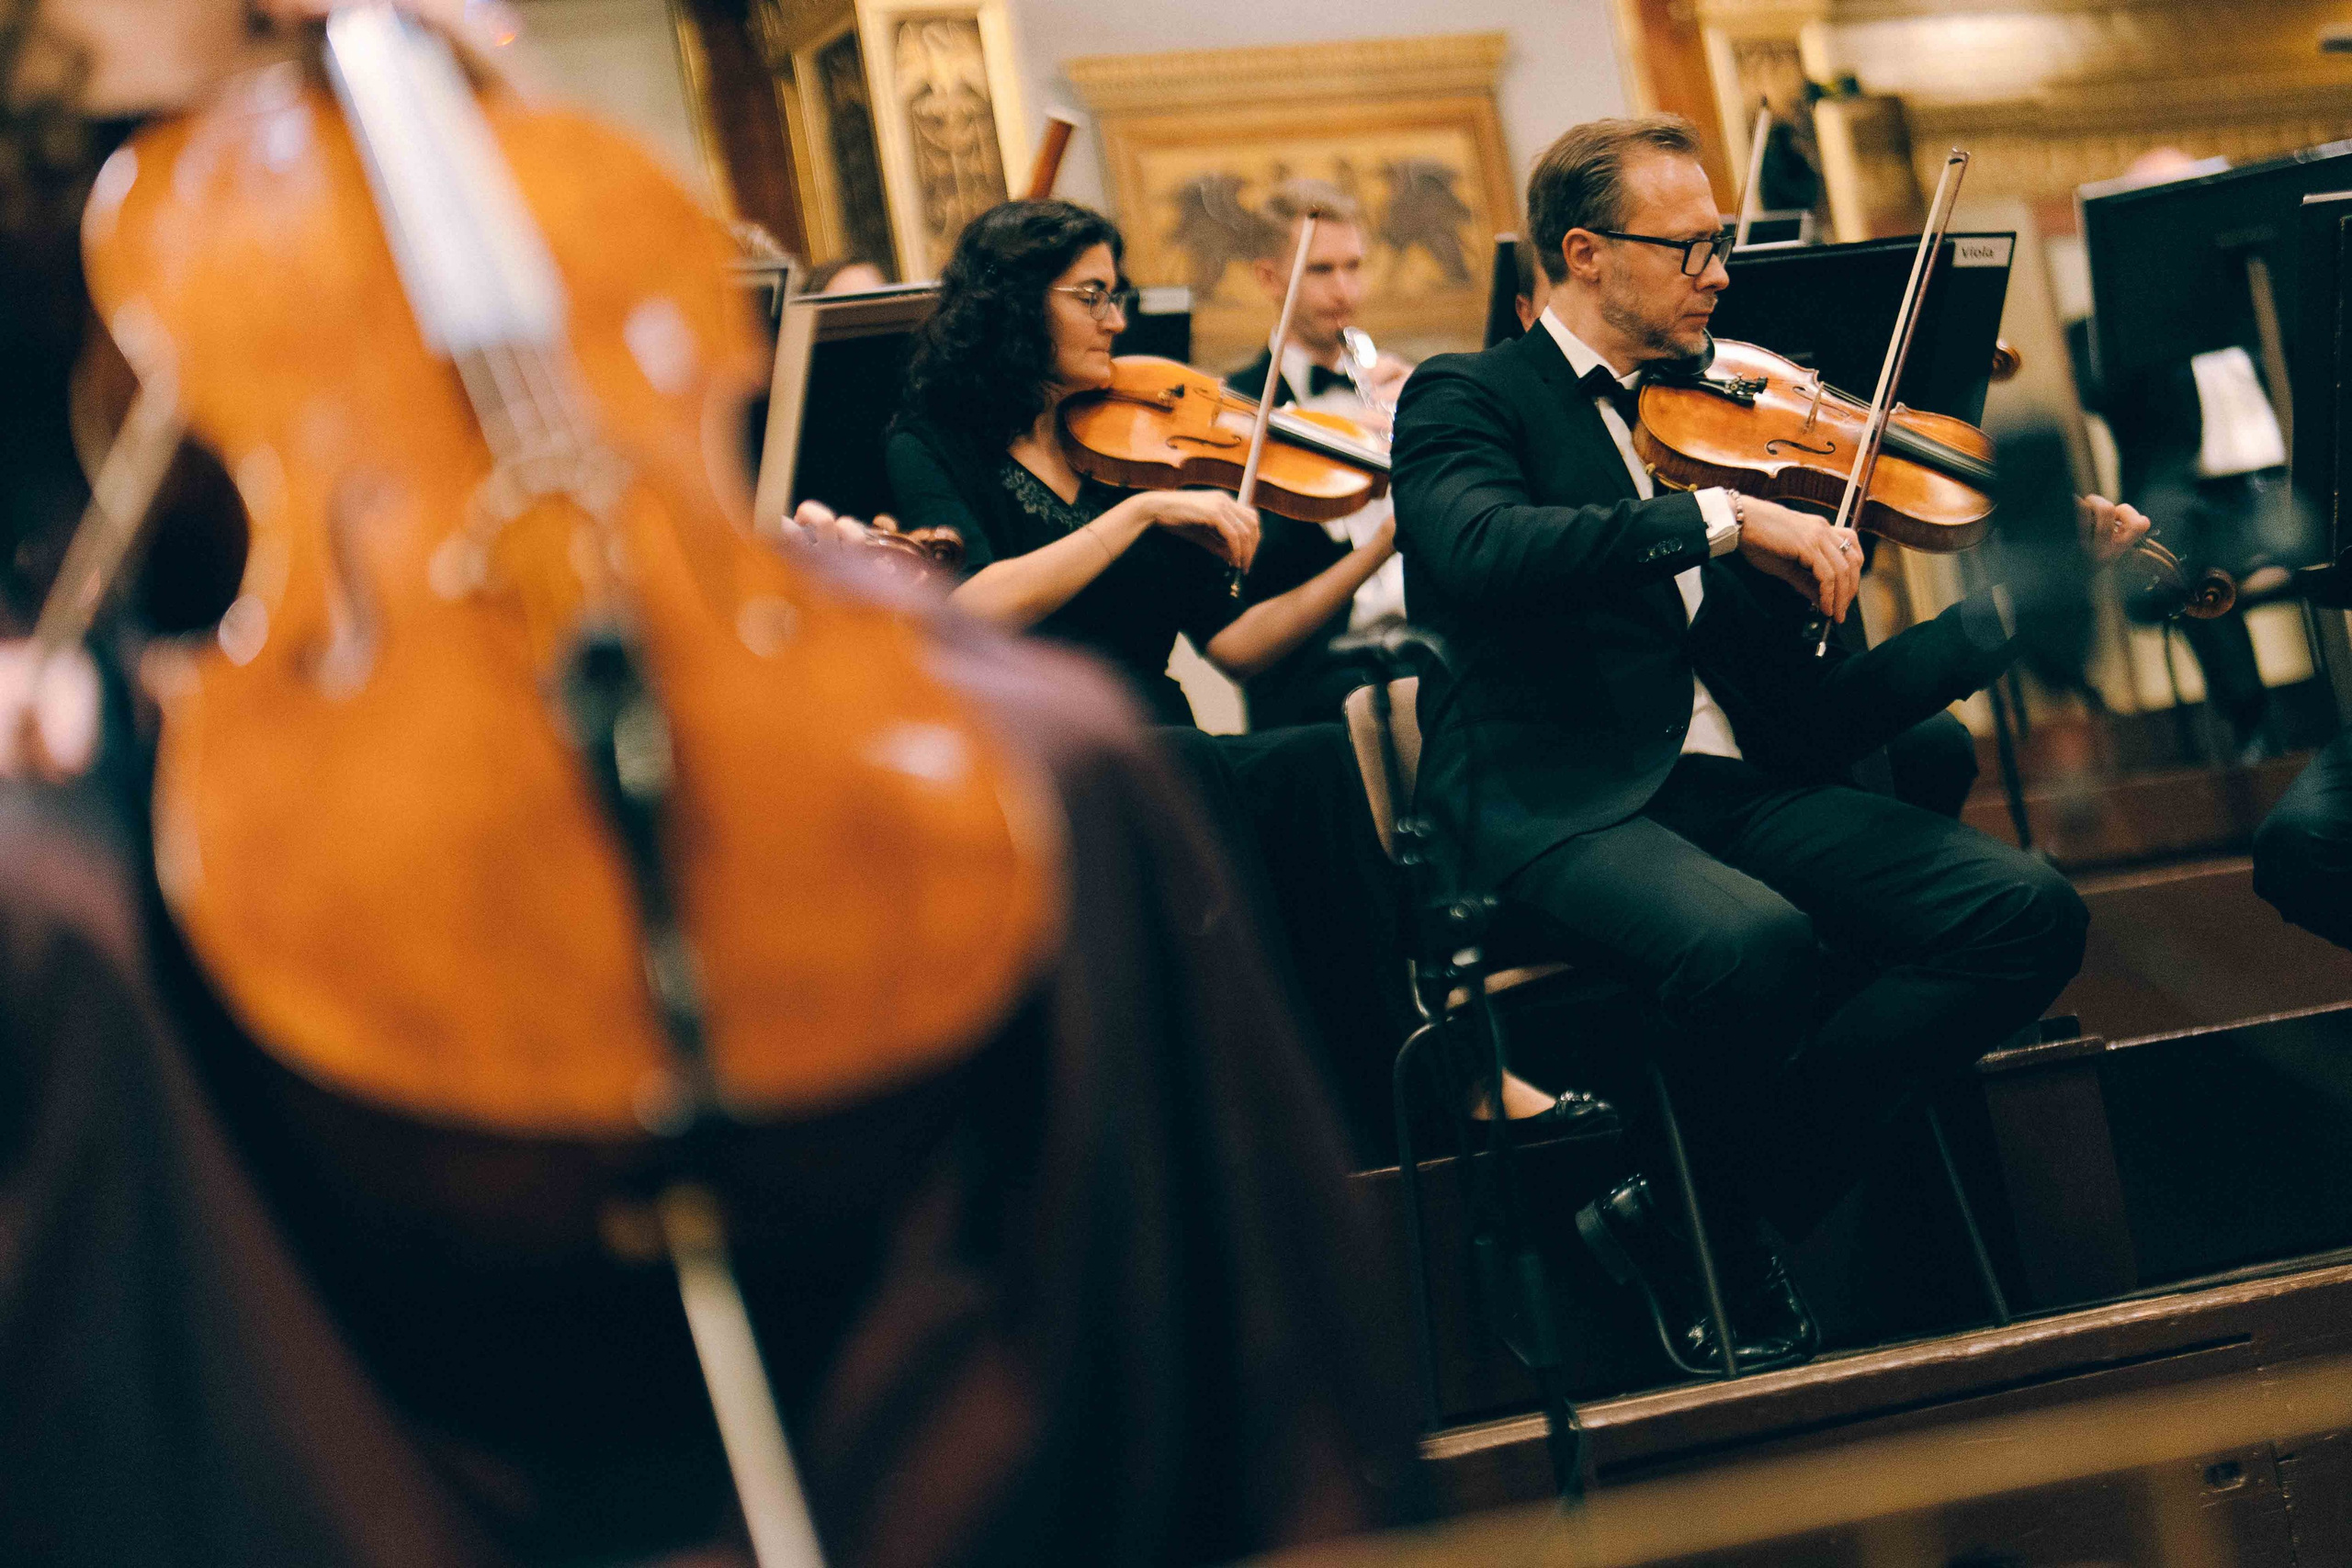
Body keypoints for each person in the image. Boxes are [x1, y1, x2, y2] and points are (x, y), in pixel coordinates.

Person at [1389, 114, 2119, 1375]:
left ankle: (1692, 1206)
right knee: (1757, 943)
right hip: (1556, 801)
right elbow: (1474, 549)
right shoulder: (1470, 395)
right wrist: (1719, 517)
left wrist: (2001, 614)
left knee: (2026, 912)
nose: (1722, 275)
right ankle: (1712, 1219)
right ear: (1585, 253)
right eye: (1692, 249)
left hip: (1734, 785)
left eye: (1720, 246)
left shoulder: (1721, 408)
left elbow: (1821, 718)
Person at [884, 199, 1491, 1148]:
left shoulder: (1141, 445)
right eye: (1091, 296)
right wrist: (1132, 520)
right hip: (1049, 751)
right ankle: (1251, 1092)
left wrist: (1376, 549)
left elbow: (1239, 646)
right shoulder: (934, 441)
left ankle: (1391, 1086)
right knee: (1201, 769)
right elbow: (970, 606)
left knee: (1314, 764)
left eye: (1116, 295)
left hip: (1165, 737)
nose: (1117, 320)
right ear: (1012, 304)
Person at [1225, 180, 1407, 728]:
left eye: (1354, 265)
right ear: (1268, 278)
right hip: (1316, 697)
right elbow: (1246, 606)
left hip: (1439, 664)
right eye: (1320, 270)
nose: (1345, 290)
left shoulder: (1407, 383)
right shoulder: (1236, 412)